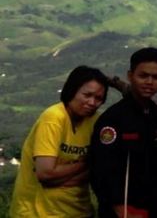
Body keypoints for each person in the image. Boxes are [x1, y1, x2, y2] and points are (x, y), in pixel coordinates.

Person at [9, 65, 109, 217]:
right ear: (71, 91)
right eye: (87, 95)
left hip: (79, 211)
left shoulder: (95, 122)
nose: (92, 102)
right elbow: (45, 173)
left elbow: (99, 170)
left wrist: (60, 177)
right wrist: (84, 163)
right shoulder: (54, 118)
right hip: (38, 213)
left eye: (98, 98)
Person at [89, 47, 157, 218]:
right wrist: (120, 208)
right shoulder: (113, 119)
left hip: (153, 205)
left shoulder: (154, 112)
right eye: (143, 76)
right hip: (124, 209)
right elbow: (100, 168)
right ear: (130, 75)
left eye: (156, 77)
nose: (149, 82)